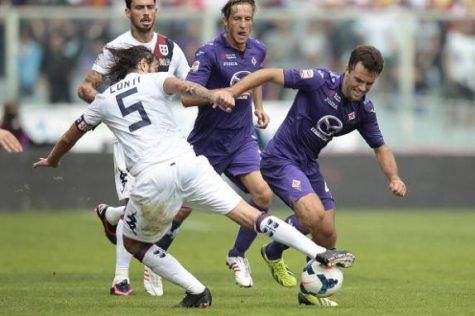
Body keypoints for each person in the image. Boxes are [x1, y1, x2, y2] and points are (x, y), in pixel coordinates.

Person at [33, 45, 355, 308]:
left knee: (133, 243)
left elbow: (70, 135)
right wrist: (213, 94)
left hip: (152, 179)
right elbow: (183, 87)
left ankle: (197, 291)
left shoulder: (103, 101)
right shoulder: (155, 79)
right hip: (191, 166)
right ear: (144, 64)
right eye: (154, 62)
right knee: (253, 216)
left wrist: (53, 160)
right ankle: (318, 253)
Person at [228, 45, 407, 307]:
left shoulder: (363, 110)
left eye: (369, 83)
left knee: (327, 234)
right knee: (311, 215)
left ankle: (307, 290)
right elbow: (266, 74)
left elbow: (380, 147)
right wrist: (232, 92)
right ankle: (273, 249)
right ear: (347, 70)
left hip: (308, 165)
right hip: (280, 158)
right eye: (358, 80)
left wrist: (394, 177)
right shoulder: (318, 80)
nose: (362, 87)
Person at [77, 0, 190, 296]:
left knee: (173, 206)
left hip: (165, 142)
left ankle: (113, 219)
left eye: (150, 6)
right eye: (139, 7)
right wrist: (109, 111)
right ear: (127, 12)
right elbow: (86, 87)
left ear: (157, 10)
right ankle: (121, 278)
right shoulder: (116, 49)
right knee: (134, 205)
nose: (146, 12)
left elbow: (188, 89)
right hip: (131, 143)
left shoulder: (169, 49)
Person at [181, 0, 274, 288]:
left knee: (264, 195)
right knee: (181, 209)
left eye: (248, 18)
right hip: (208, 143)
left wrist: (258, 106)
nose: (243, 24)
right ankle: (153, 255)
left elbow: (254, 78)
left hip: (241, 140)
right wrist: (215, 95)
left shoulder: (257, 49)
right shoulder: (209, 53)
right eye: (237, 18)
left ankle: (237, 254)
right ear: (226, 21)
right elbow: (186, 97)